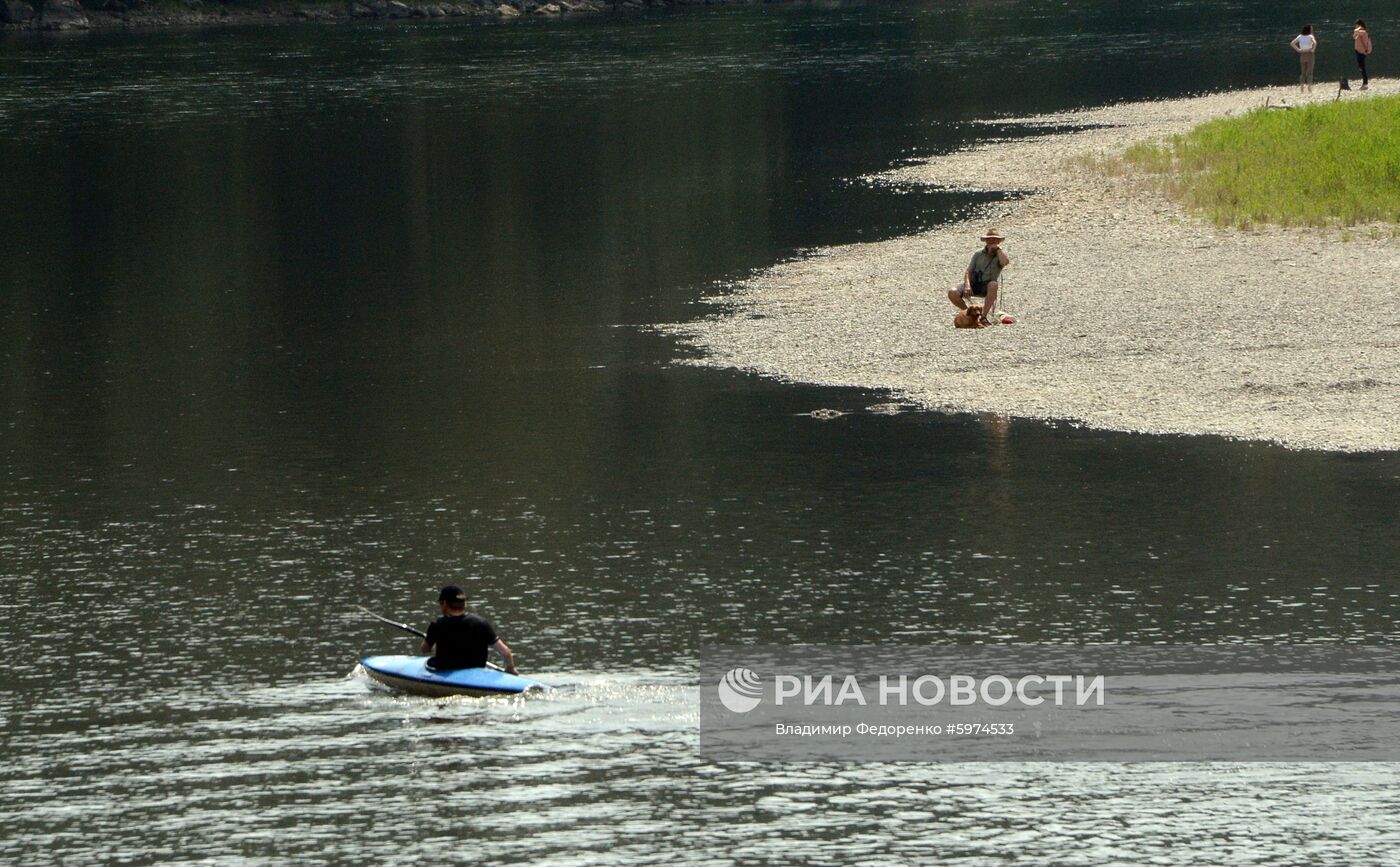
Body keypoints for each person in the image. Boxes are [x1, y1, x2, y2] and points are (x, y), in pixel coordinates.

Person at [420, 585, 518, 674]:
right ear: (464, 604)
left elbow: (425, 649)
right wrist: (510, 669)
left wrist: (433, 642)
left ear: (445, 603)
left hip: (446, 671)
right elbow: (505, 652)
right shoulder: (481, 623)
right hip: (477, 672)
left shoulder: (437, 625)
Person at [947, 228, 1010, 324]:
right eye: (989, 239)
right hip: (974, 283)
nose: (991, 241)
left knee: (993, 284)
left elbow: (1005, 262)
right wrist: (967, 285)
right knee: (952, 292)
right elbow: (968, 271)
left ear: (998, 241)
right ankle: (968, 313)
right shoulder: (978, 254)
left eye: (994, 239)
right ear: (985, 241)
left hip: (987, 286)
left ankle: (983, 317)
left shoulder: (1000, 254)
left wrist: (998, 250)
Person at [1291, 25, 1317, 94]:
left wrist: (1298, 50)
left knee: (1303, 72)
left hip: (1302, 53)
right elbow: (1314, 43)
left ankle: (1302, 88)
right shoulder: (1311, 36)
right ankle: (1309, 88)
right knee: (1310, 72)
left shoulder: (1300, 36)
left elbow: (1292, 43)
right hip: (1309, 53)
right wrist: (1313, 49)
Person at [1353, 20, 1373, 90]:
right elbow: (1354, 36)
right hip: (1359, 51)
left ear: (1360, 25)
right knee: (1361, 67)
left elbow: (1355, 31)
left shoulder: (1363, 32)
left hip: (1361, 52)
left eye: (1357, 25)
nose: (1355, 26)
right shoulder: (1360, 33)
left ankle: (1365, 83)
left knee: (1362, 67)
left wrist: (1358, 28)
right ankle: (1365, 83)